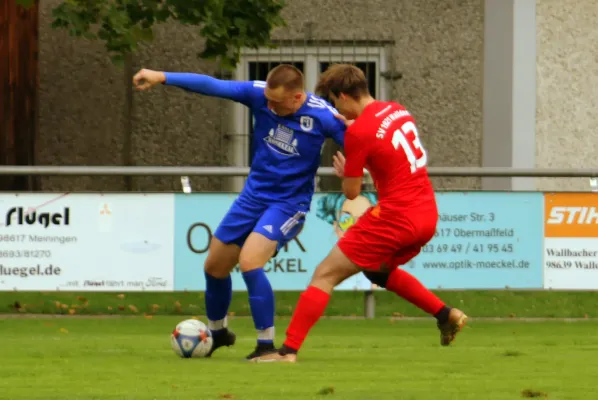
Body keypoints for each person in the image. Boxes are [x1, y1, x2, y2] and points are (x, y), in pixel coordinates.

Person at [251, 63, 468, 363]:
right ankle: (446, 315)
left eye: (334, 101)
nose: (336, 108)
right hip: (426, 214)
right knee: (377, 270)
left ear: (342, 96)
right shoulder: (397, 110)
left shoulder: (359, 133)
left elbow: (352, 193)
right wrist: (357, 130)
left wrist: (347, 173)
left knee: (324, 274)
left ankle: (288, 352)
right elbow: (383, 140)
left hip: (396, 216)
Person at [132, 64, 347, 359]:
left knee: (249, 261)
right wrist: (162, 77)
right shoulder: (259, 95)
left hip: (288, 204)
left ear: (297, 97)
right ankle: (218, 333)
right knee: (214, 267)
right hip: (252, 197)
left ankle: (266, 346)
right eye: (267, 100)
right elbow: (213, 85)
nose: (269, 107)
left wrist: (355, 168)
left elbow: (362, 143)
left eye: (277, 103)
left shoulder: (323, 116)